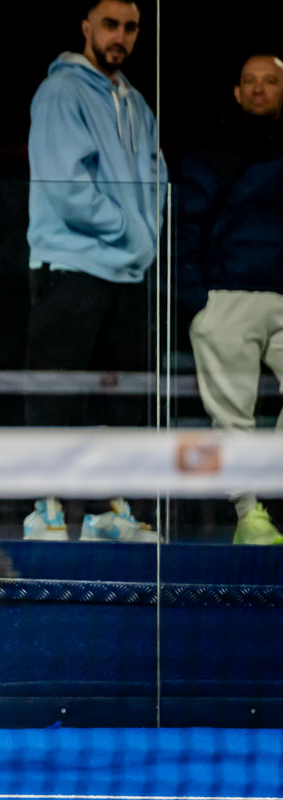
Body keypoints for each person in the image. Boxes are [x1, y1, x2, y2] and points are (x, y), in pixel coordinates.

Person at [22, 0, 165, 542]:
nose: (120, 36)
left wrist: (145, 234)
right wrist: (133, 230)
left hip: (125, 272)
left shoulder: (136, 101)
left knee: (119, 398)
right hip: (72, 265)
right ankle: (48, 510)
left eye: (130, 27)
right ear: (86, 28)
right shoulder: (61, 91)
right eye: (110, 25)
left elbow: (155, 173)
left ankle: (110, 511)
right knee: (56, 396)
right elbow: (67, 187)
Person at [178, 53, 283, 545]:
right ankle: (248, 515)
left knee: (235, 415)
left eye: (270, 81)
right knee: (231, 416)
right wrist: (197, 300)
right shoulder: (210, 153)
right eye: (250, 81)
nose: (259, 89)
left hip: (273, 291)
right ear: (237, 93)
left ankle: (267, 499)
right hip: (225, 295)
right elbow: (186, 224)